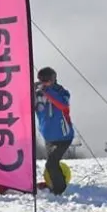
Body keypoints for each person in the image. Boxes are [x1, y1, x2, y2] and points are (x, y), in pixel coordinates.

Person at [34, 66, 74, 195]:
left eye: (47, 80)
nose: (45, 83)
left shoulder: (61, 92)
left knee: (51, 164)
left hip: (64, 137)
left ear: (54, 79)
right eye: (42, 80)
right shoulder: (38, 92)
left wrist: (47, 91)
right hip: (48, 136)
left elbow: (63, 104)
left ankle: (59, 190)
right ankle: (52, 183)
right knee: (52, 165)